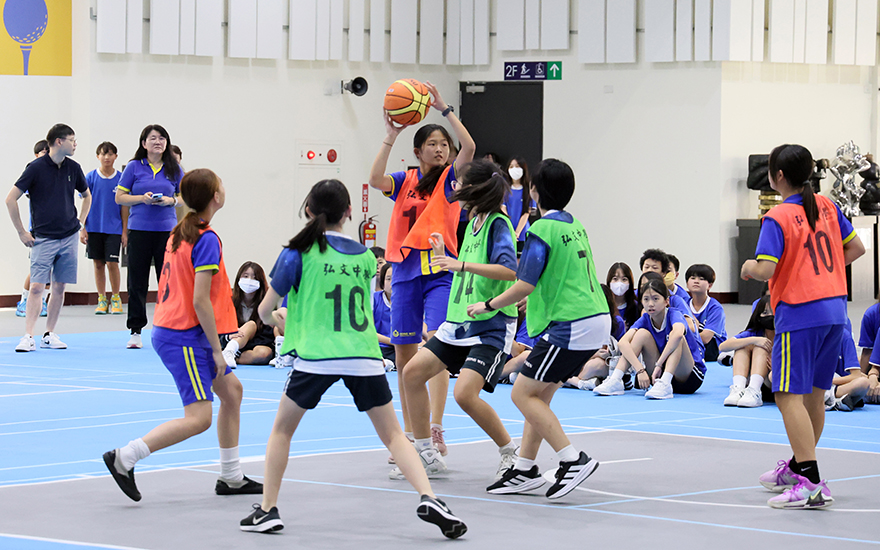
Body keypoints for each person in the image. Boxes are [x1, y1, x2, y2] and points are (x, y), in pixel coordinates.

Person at [240, 179, 466, 538]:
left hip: (317, 355)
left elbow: (266, 311)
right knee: (394, 435)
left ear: (308, 210)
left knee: (282, 431)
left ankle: (268, 509)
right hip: (363, 355)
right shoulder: (365, 257)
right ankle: (430, 497)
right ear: (348, 212)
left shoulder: (296, 253)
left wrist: (280, 318)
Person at [102, 168, 261, 501]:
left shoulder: (181, 231)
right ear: (215, 196)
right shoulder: (205, 238)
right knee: (199, 418)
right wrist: (218, 349)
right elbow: (200, 300)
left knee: (232, 392)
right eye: (221, 185)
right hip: (183, 335)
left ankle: (231, 477)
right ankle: (125, 457)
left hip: (182, 330)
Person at [468, 159, 606, 499]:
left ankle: (572, 459)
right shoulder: (575, 224)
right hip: (593, 318)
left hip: (571, 324)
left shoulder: (541, 228)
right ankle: (525, 468)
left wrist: (489, 304)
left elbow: (524, 282)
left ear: (534, 191)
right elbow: (561, 275)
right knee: (539, 395)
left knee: (521, 393)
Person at [742, 143, 864, 509]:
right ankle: (799, 466)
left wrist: (748, 267)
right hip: (835, 312)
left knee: (785, 395)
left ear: (777, 176)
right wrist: (822, 272)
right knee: (813, 394)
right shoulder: (828, 205)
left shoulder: (777, 217)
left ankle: (811, 483)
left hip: (800, 314)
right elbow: (856, 249)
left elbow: (764, 268)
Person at [368, 82, 476, 459]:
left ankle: (435, 426)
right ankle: (413, 433)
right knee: (404, 356)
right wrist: (390, 135)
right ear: (418, 151)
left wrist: (444, 108)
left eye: (444, 144)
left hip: (440, 271)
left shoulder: (450, 180)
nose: (440, 149)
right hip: (403, 271)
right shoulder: (405, 181)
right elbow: (374, 179)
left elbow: (470, 147)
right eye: (432, 143)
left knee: (437, 348)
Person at [399, 161, 519, 483]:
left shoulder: (498, 224)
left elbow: (509, 271)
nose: (454, 187)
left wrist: (460, 265)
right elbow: (469, 272)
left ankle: (510, 452)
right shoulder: (473, 223)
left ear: (474, 188)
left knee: (464, 394)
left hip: (491, 323)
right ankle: (426, 454)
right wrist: (447, 259)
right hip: (460, 321)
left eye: (460, 183)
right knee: (412, 373)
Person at [6, 124, 91, 352]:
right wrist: (22, 232)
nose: (75, 144)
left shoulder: (74, 168)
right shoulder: (35, 168)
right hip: (43, 238)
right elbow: (10, 199)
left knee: (59, 287)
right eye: (72, 140)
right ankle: (28, 336)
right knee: (36, 287)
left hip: (69, 236)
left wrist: (81, 222)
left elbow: (86, 195)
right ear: (59, 141)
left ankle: (49, 334)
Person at [116, 124, 183, 349]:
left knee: (168, 281)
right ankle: (135, 330)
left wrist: (171, 201)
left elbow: (186, 196)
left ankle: (169, 327)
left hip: (166, 232)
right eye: (153, 138)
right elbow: (119, 197)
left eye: (162, 138)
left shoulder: (174, 168)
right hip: (139, 231)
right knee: (137, 281)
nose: (158, 142)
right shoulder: (134, 166)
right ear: (144, 143)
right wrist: (141, 199)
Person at [600, 273, 706, 399]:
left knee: (677, 337)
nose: (650, 304)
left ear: (666, 301)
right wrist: (640, 370)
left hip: (688, 377)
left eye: (655, 299)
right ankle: (616, 380)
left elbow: (678, 334)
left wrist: (659, 364)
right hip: (657, 375)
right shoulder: (645, 318)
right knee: (641, 334)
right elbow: (622, 343)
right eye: (646, 299)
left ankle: (666, 383)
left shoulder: (674, 314)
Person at [83, 141, 125, 315]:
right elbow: (85, 204)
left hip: (114, 229)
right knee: (98, 263)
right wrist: (83, 228)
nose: (106, 157)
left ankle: (116, 298)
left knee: (112, 263)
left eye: (110, 154)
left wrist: (125, 231)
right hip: (93, 228)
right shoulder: (91, 177)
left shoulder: (121, 178)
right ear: (97, 156)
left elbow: (124, 207)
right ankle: (102, 298)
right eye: (103, 154)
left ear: (116, 156)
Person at [15, 140, 51, 319]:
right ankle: (24, 301)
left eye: (48, 151)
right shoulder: (33, 170)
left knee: (50, 271)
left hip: (57, 229)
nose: (46, 155)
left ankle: (42, 301)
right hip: (38, 229)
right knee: (37, 269)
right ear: (36, 155)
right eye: (42, 152)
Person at [567, 284, 625, 390]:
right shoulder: (580, 322)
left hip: (603, 365)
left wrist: (609, 355)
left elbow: (621, 353)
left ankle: (573, 381)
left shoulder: (617, 323)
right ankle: (582, 383)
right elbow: (572, 354)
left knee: (596, 365)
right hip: (579, 363)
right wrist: (594, 354)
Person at [719, 295, 774, 407]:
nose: (770, 316)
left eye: (773, 312)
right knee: (743, 345)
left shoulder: (787, 335)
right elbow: (723, 347)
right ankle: (739, 389)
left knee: (761, 349)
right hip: (755, 383)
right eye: (765, 312)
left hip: (776, 381)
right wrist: (754, 340)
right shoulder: (754, 332)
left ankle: (754, 389)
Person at [221, 261, 276, 366]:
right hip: (229, 342)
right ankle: (229, 351)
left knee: (264, 353)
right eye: (246, 276)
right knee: (251, 324)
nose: (249, 280)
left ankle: (228, 357)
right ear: (239, 278)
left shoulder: (266, 304)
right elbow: (217, 328)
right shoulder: (228, 301)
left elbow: (268, 336)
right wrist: (228, 337)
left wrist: (246, 339)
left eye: (254, 278)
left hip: (253, 346)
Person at [825, 318, 870, 411]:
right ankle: (840, 401)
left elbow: (855, 375)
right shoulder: (812, 335)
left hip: (835, 385)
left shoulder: (845, 336)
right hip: (815, 387)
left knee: (864, 382)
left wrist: (829, 381)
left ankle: (835, 399)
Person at [685, 263, 727, 362]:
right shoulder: (684, 304)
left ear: (710, 285)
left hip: (712, 349)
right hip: (691, 345)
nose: (696, 281)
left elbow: (705, 338)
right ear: (687, 284)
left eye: (701, 279)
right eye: (693, 278)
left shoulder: (715, 308)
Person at [501, 156, 535, 244]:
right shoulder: (504, 189)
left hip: (523, 232)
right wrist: (510, 230)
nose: (514, 169)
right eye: (511, 167)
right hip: (507, 230)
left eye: (517, 166)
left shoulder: (528, 190)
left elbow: (526, 213)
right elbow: (503, 208)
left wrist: (517, 233)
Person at [374, 262, 396, 364]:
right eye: (388, 279)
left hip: (401, 348)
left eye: (396, 278)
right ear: (382, 281)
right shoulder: (374, 299)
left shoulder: (409, 301)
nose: (392, 282)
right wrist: (394, 342)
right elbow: (368, 332)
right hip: (378, 347)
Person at [606, 262, 639, 328]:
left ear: (630, 283)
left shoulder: (635, 306)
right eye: (615, 279)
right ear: (609, 281)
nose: (619, 283)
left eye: (624, 279)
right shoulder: (604, 305)